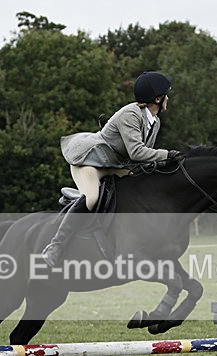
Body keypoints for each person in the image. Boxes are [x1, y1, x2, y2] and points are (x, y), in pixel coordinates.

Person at [42, 71, 180, 267]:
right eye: (166, 95)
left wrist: (169, 163)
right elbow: (137, 153)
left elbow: (145, 159)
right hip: (89, 161)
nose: (168, 98)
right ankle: (55, 246)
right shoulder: (131, 114)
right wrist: (167, 155)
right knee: (92, 199)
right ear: (157, 99)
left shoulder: (154, 122)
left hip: (113, 166)